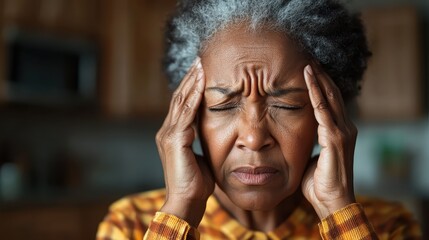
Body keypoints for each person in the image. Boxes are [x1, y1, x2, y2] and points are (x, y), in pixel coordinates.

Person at [96, 0, 422, 239]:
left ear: (331, 117)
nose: (253, 138)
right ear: (189, 117)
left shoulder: (388, 225)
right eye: (223, 105)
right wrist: (181, 208)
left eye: (288, 105)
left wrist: (337, 209)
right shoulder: (132, 224)